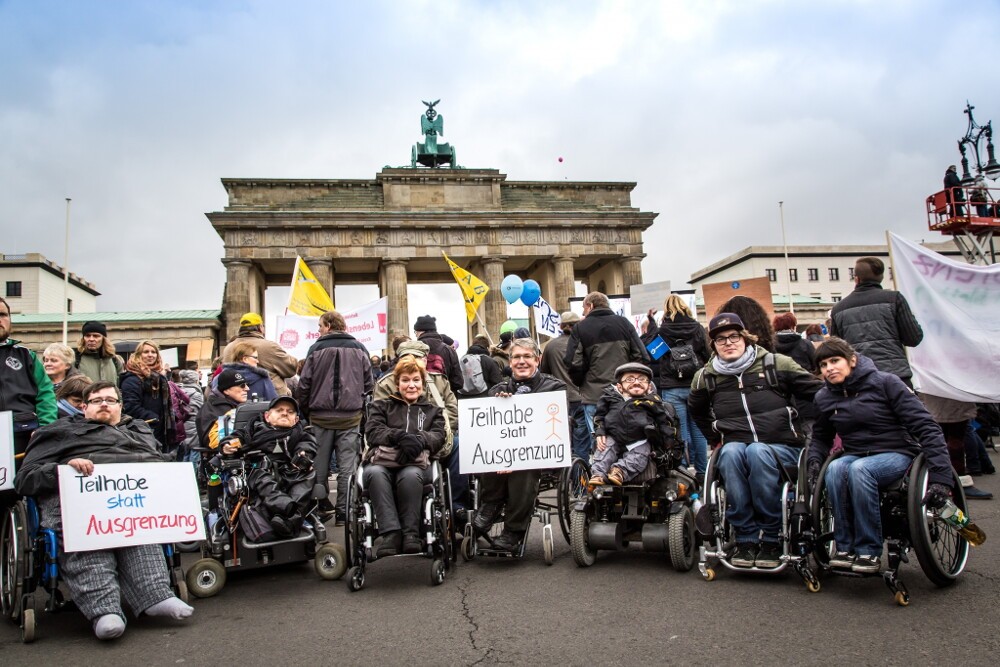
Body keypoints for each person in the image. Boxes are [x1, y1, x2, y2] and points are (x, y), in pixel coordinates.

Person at [15, 381, 193, 640]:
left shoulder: (140, 431)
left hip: (132, 502)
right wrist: (61, 468)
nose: (104, 404)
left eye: (110, 400)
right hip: (77, 501)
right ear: (84, 407)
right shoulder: (58, 432)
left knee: (140, 531)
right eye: (97, 400)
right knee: (87, 536)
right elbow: (25, 479)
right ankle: (104, 609)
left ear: (120, 406)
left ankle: (156, 595)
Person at [807, 338, 955, 573]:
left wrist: (941, 479)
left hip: (897, 452)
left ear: (852, 360)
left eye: (835, 361)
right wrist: (814, 463)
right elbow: (821, 437)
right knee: (835, 469)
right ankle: (844, 548)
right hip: (856, 453)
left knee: (860, 469)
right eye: (823, 365)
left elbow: (927, 427)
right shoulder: (825, 397)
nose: (829, 368)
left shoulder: (886, 383)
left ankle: (868, 550)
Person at [688, 313, 822, 568]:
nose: (728, 342)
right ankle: (747, 538)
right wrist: (714, 437)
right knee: (730, 452)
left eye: (734, 336)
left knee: (758, 451)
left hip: (783, 448)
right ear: (713, 345)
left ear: (745, 338)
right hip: (736, 447)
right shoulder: (706, 377)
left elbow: (817, 392)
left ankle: (772, 537)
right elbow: (696, 410)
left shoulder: (776, 364)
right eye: (720, 339)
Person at [473, 338, 567, 552]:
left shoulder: (555, 388)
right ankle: (491, 504)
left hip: (539, 455)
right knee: (489, 455)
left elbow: (560, 426)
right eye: (517, 357)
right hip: (504, 454)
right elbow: (487, 432)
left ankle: (514, 530)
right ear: (510, 361)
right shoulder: (496, 390)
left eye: (527, 356)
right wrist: (501, 404)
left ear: (538, 360)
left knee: (524, 467)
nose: (522, 361)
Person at [363, 355, 448, 556]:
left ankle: (411, 534)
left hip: (417, 466)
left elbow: (439, 436)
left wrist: (419, 439)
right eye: (406, 380)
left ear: (422, 382)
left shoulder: (432, 411)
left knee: (409, 474)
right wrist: (398, 436)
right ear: (397, 383)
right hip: (384, 462)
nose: (411, 385)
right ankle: (391, 534)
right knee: (374, 473)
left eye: (416, 380)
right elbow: (373, 431)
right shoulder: (381, 406)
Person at [296, 309, 374, 524]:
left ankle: (320, 509)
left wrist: (305, 410)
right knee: (347, 467)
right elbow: (369, 384)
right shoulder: (360, 348)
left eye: (320, 326)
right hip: (350, 417)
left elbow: (304, 384)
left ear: (329, 326)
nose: (318, 330)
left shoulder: (315, 348)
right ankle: (343, 512)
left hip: (320, 417)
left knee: (319, 465)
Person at [220, 396, 318, 537]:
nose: (285, 413)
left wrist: (304, 455)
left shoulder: (300, 433)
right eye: (279, 410)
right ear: (267, 416)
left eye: (290, 412)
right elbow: (234, 439)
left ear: (296, 420)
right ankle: (287, 509)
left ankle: (288, 522)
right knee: (261, 477)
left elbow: (308, 444)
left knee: (309, 474)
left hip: (288, 470)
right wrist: (227, 445)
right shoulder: (252, 429)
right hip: (258, 470)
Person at [565, 292, 649, 453]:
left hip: (593, 394)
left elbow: (573, 362)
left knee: (600, 443)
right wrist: (630, 381)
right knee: (629, 440)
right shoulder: (624, 323)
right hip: (624, 393)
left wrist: (581, 382)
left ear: (590, 306)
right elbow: (642, 356)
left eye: (583, 308)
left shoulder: (580, 328)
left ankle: (603, 475)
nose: (583, 313)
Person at [829, 256, 923, 388]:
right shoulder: (894, 299)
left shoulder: (838, 309)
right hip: (896, 375)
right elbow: (913, 339)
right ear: (881, 278)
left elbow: (835, 351)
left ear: (857, 279)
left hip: (860, 378)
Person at [588, 363, 676, 487]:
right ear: (619, 386)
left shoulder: (652, 402)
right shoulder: (609, 398)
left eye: (641, 379)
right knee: (604, 449)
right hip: (614, 436)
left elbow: (663, 422)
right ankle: (598, 474)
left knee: (639, 455)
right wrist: (600, 431)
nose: (636, 382)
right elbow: (599, 416)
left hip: (641, 439)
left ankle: (619, 471)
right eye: (629, 379)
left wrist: (668, 443)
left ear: (649, 386)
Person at [656, 294, 711, 479]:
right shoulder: (697, 328)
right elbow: (707, 353)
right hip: (696, 385)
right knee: (700, 431)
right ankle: (703, 472)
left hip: (672, 387)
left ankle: (684, 473)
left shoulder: (662, 330)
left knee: (679, 432)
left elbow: (654, 355)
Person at [0, 297, 57, 458]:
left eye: (3, 315)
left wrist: (44, 429)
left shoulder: (26, 355)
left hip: (24, 435)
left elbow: (45, 394)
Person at [539, 311, 589, 461]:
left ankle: (564, 472)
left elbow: (544, 373)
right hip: (581, 397)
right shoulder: (584, 343)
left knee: (561, 438)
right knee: (581, 441)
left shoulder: (551, 346)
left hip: (559, 398)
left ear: (561, 326)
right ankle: (581, 475)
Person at [222, 312, 297, 396]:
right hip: (271, 398)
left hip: (236, 397)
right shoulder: (269, 346)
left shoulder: (228, 348)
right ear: (260, 328)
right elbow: (290, 369)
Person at [119, 339, 176, 450]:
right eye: (146, 352)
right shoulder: (132, 379)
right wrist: (153, 418)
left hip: (160, 431)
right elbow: (130, 407)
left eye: (153, 352)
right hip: (142, 431)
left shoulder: (159, 377)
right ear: (139, 355)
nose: (150, 355)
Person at [197, 368, 249, 451]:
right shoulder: (212, 409)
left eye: (247, 384)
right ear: (226, 390)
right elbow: (214, 441)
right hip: (223, 459)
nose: (247, 388)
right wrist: (240, 443)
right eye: (242, 386)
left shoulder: (239, 406)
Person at [413, 314, 463, 393]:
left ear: (420, 331)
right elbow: (458, 383)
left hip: (420, 401)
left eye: (415, 332)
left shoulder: (413, 350)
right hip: (445, 401)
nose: (415, 335)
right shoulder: (449, 350)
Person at [212, 340, 277, 401]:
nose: (257, 361)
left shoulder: (218, 378)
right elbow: (272, 403)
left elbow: (213, 401)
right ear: (245, 359)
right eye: (255, 358)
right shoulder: (263, 379)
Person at [176, 369, 205, 475]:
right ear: (196, 381)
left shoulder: (177, 391)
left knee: (184, 453)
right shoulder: (197, 394)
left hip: (181, 426)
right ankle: (192, 477)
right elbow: (201, 412)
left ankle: (183, 476)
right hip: (194, 428)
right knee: (194, 454)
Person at [457, 334, 503, 399]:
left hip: (464, 401)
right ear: (487, 347)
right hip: (485, 400)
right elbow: (498, 385)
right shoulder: (489, 361)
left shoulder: (462, 360)